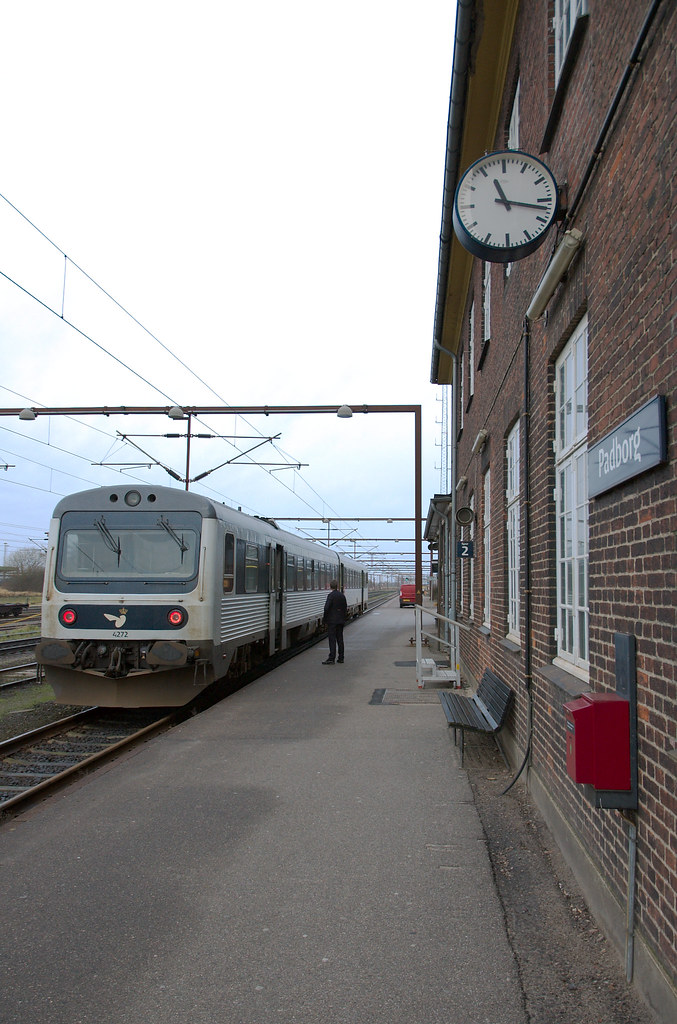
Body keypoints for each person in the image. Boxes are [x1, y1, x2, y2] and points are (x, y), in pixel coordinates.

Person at [322, 579, 347, 664]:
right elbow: (345, 608)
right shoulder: (342, 596)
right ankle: (341, 658)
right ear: (337, 586)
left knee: (332, 640)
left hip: (332, 621)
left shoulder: (331, 596)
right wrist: (343, 618)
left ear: (330, 586)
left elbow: (326, 608)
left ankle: (331, 658)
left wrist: (324, 620)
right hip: (341, 621)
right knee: (340, 639)